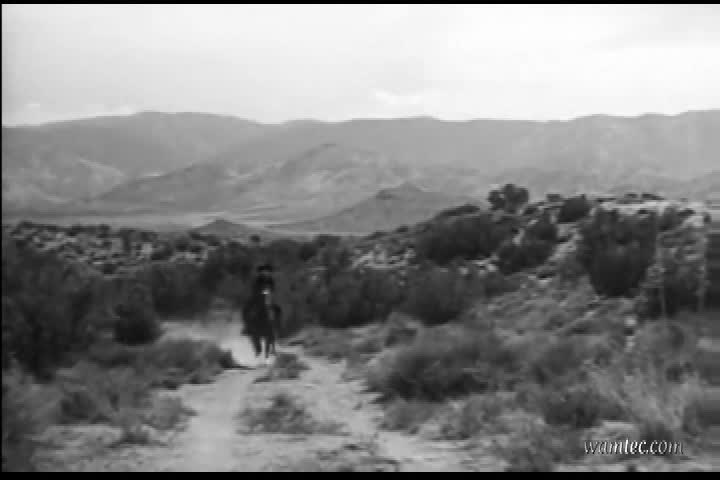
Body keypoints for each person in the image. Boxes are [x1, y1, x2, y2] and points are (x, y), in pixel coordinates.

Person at [242, 263, 281, 365]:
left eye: (267, 271)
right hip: (256, 299)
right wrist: (261, 293)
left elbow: (273, 290)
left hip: (268, 300)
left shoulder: (271, 280)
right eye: (264, 271)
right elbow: (254, 290)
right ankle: (247, 327)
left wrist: (269, 294)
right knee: (246, 309)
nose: (266, 273)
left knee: (278, 310)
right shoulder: (257, 280)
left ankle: (277, 326)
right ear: (261, 272)